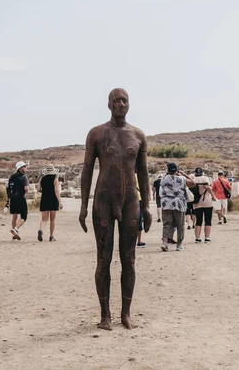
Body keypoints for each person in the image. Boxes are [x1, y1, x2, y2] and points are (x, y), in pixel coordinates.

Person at [79, 88, 152, 330]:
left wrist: (148, 206)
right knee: (103, 258)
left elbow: (143, 173)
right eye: (116, 101)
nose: (121, 104)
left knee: (129, 259)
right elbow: (87, 170)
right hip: (104, 200)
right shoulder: (97, 134)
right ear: (108, 105)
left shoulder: (138, 135)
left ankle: (126, 313)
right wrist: (83, 205)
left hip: (131, 200)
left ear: (129, 105)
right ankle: (104, 315)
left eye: (124, 100)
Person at [160, 163, 195, 251]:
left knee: (167, 224)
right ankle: (179, 245)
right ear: (176, 170)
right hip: (179, 204)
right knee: (180, 225)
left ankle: (165, 243)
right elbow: (193, 184)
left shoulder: (164, 178)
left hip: (166, 204)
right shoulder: (182, 179)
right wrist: (184, 174)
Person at [38, 164, 63, 242]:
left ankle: (41, 230)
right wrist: (60, 202)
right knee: (52, 219)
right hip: (53, 200)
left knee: (44, 219)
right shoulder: (55, 179)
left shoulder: (41, 179)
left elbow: (38, 189)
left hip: (44, 199)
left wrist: (45, 191)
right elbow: (57, 191)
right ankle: (51, 236)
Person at [192, 167, 217, 243]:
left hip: (197, 202)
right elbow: (208, 187)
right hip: (207, 201)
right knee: (208, 220)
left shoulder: (193, 180)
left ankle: (197, 238)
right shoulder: (205, 178)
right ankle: (207, 238)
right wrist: (213, 196)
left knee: (198, 221)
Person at [6, 161, 29, 240]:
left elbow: (8, 188)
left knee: (14, 216)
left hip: (12, 198)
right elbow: (26, 188)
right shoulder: (24, 177)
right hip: (21, 198)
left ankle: (15, 234)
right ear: (21, 168)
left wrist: (8, 199)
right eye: (25, 167)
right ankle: (15, 229)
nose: (26, 168)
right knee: (24, 216)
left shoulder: (11, 177)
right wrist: (24, 192)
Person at [135, 172, 146, 248]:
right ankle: (138, 241)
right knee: (139, 219)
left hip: (129, 199)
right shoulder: (140, 175)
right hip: (139, 199)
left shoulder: (127, 174)